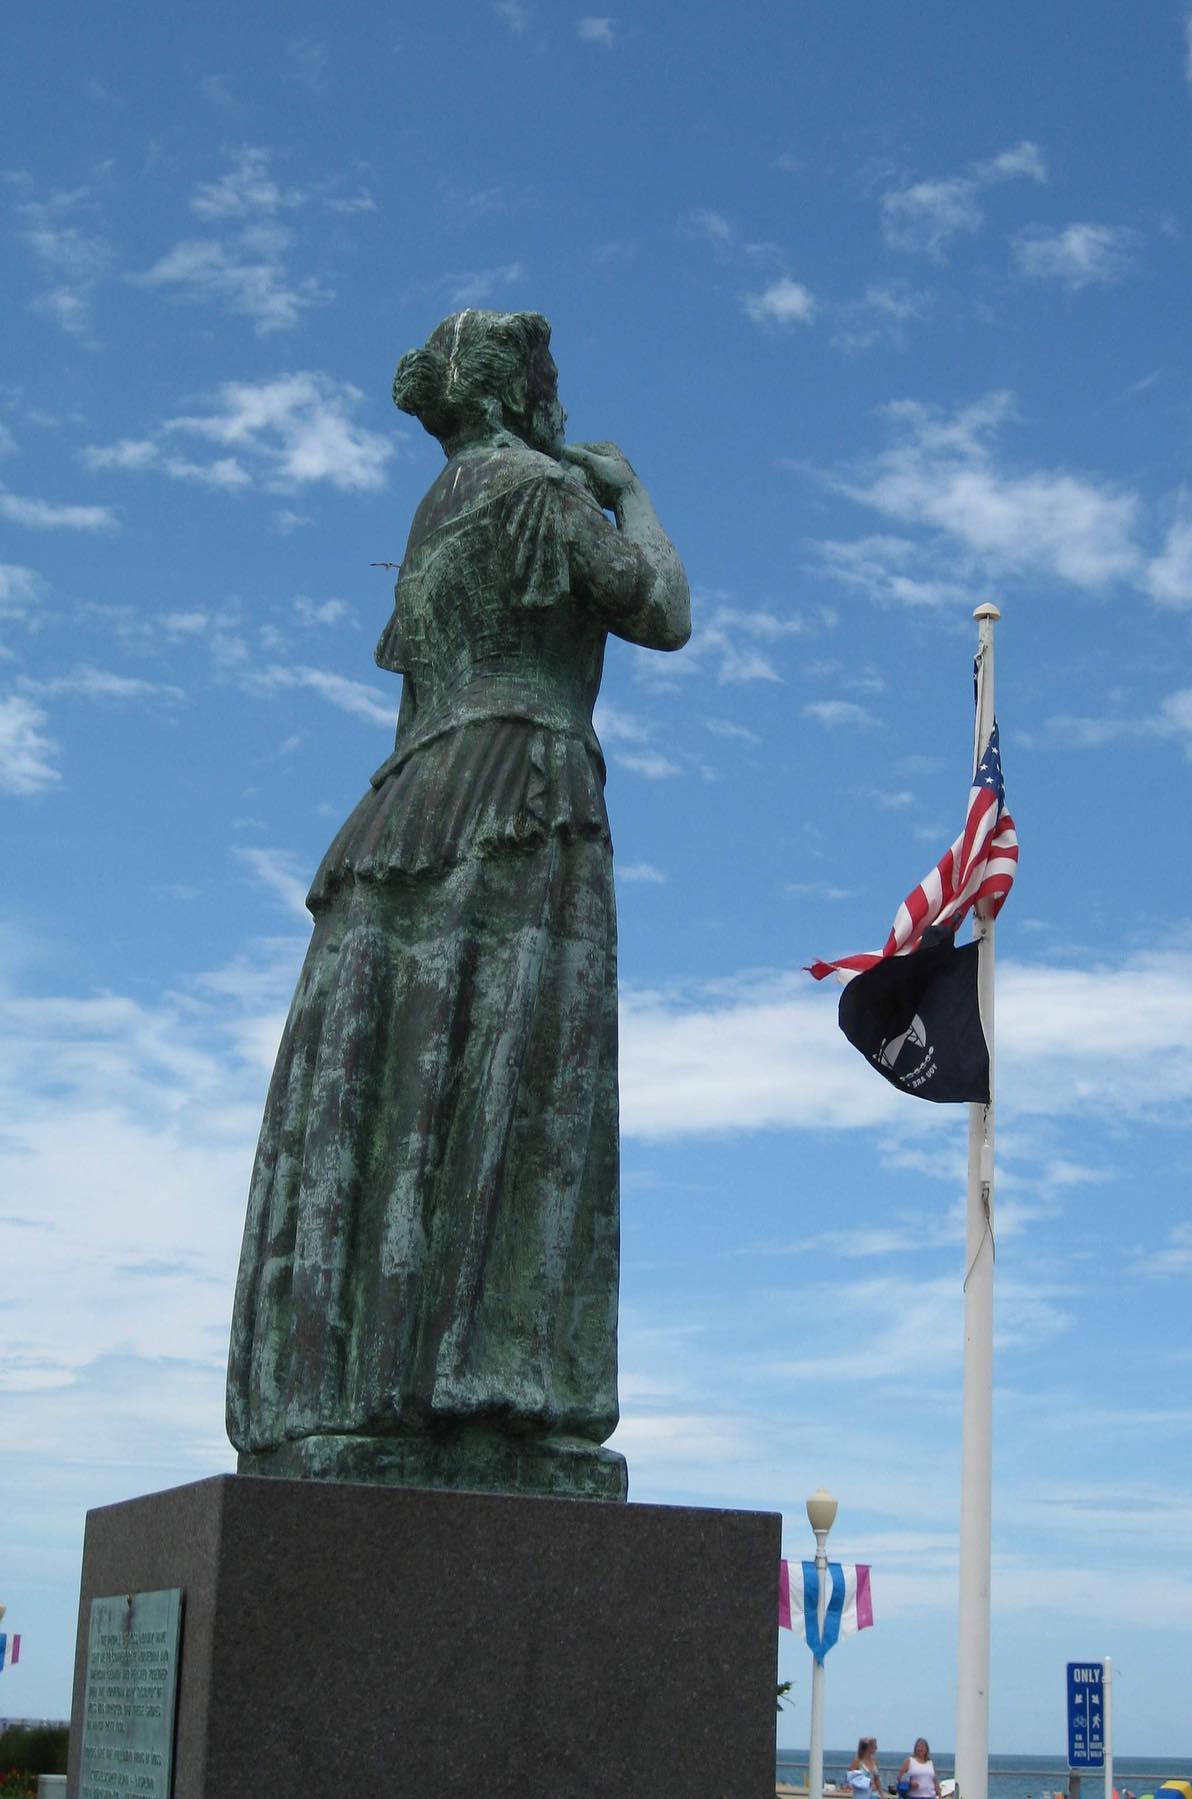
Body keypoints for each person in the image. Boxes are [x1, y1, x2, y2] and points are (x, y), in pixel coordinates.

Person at [226, 308, 690, 1497]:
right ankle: (490, 1399)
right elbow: (663, 612)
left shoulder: (435, 516)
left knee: (402, 1092)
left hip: (409, 804)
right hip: (524, 784)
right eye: (555, 385)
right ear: (521, 395)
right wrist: (629, 492)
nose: (566, 410)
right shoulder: (543, 491)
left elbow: (414, 700)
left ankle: (361, 1391)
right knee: (512, 1080)